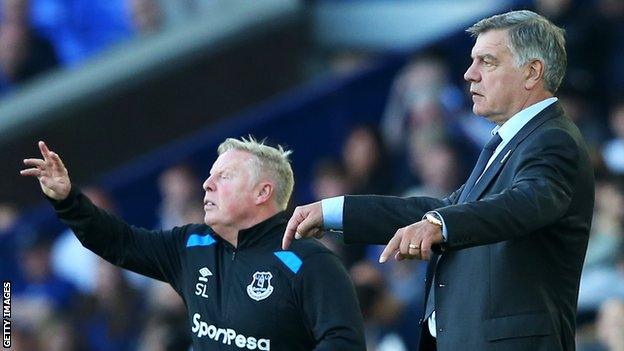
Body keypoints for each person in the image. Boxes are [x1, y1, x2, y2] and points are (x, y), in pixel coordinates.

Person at [283, 10, 594, 351]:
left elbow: (524, 202)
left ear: (532, 72)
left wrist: (440, 223)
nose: (469, 74)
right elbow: (439, 210)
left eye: (486, 62)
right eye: (472, 61)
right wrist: (333, 212)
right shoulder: (510, 144)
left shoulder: (552, 139)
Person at [21, 137, 366, 351]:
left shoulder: (311, 264)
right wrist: (68, 200)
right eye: (209, 176)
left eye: (223, 177)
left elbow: (344, 343)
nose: (206, 185)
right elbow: (119, 242)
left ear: (263, 192)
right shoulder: (191, 245)